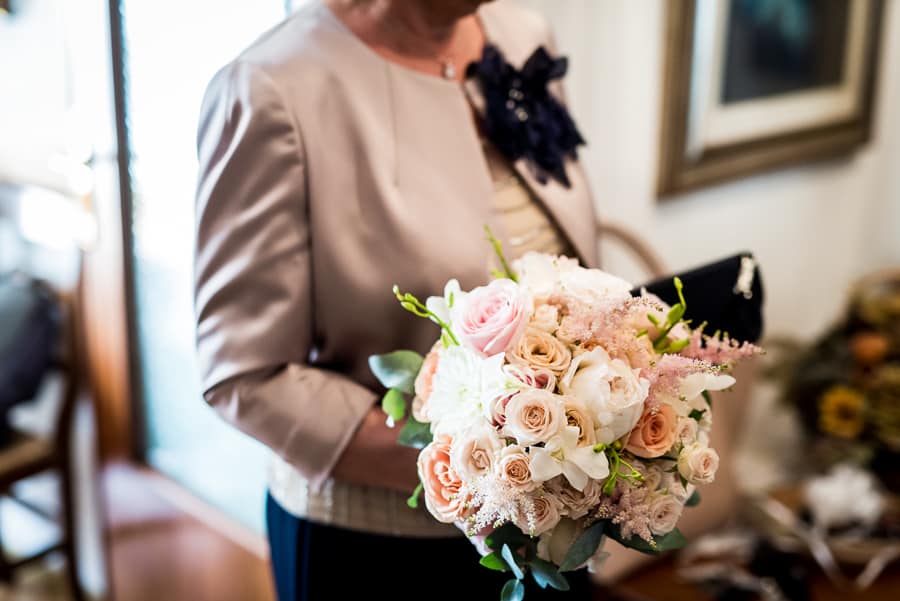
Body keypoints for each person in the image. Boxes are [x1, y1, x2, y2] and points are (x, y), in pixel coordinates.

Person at [193, 0, 600, 598]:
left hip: (547, 532)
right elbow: (246, 377)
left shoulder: (521, 33)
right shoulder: (271, 89)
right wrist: (479, 469)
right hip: (376, 551)